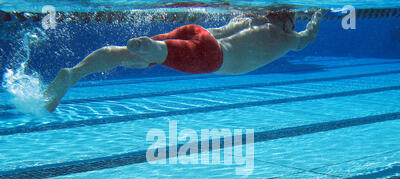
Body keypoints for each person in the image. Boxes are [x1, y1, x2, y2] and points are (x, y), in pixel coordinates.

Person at [42, 9, 324, 112]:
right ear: (287, 19)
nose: (294, 23)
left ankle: (74, 73)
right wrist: (317, 17)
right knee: (154, 53)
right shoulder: (288, 39)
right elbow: (308, 37)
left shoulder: (253, 20)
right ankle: (152, 50)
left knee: (127, 56)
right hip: (212, 58)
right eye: (294, 18)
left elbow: (226, 29)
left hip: (202, 35)